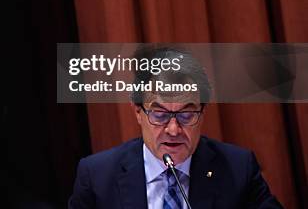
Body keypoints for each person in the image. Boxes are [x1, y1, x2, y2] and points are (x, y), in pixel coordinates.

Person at [68, 46, 284, 209]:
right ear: (137, 112)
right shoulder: (97, 176)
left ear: (203, 112)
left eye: (186, 115)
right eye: (160, 115)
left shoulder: (238, 169)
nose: (173, 129)